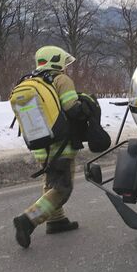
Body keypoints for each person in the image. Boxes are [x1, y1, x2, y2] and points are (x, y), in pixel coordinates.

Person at [13, 46, 83, 248]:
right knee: (62, 189)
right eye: (64, 63)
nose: (66, 68)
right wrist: (85, 106)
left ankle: (56, 220)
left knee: (51, 181)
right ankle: (28, 219)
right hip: (61, 146)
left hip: (40, 146)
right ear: (57, 61)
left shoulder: (31, 81)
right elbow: (72, 108)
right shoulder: (61, 80)